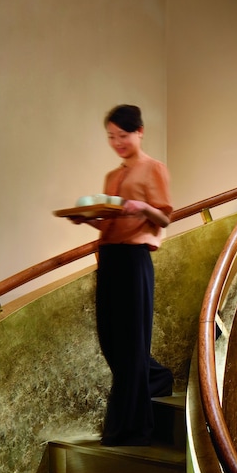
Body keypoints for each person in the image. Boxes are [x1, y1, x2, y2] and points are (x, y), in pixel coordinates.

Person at [73, 104, 174, 446]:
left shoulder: (153, 168)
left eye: (123, 135)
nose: (117, 142)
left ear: (139, 132)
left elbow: (164, 218)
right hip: (110, 258)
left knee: (131, 341)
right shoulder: (112, 176)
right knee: (111, 340)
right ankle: (157, 378)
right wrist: (87, 219)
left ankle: (130, 427)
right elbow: (110, 224)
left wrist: (142, 207)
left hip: (134, 259)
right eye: (112, 137)